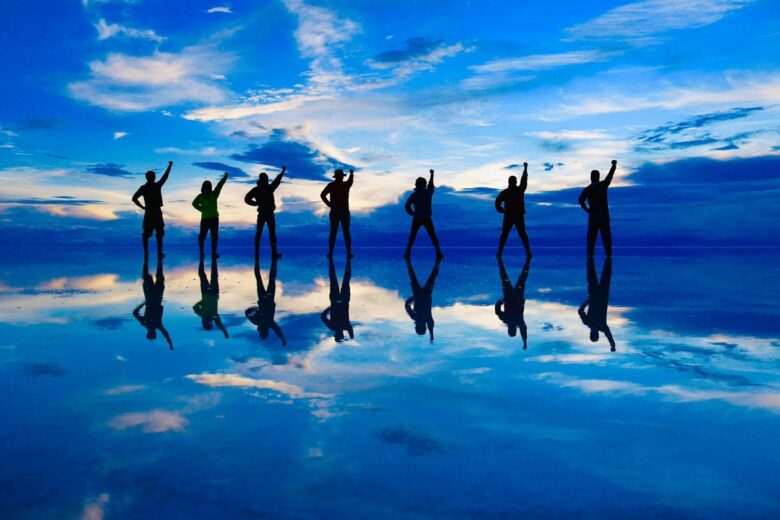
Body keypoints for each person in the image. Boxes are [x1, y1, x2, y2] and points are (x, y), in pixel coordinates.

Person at [132, 160, 173, 259]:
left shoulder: (144, 187)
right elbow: (165, 177)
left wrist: (142, 207)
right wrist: (170, 166)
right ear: (153, 177)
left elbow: (134, 198)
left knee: (147, 233)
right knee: (158, 233)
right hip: (155, 212)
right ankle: (159, 253)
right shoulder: (156, 186)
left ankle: (147, 253)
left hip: (149, 212)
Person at [245, 166, 286, 260]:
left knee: (262, 233)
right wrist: (254, 203)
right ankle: (273, 252)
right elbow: (277, 180)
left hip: (265, 213)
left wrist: (254, 203)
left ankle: (262, 253)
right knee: (268, 233)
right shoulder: (267, 188)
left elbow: (277, 180)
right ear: (265, 179)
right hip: (266, 213)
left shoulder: (259, 189)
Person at [133, 256, 172, 350]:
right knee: (159, 277)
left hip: (150, 297)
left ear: (148, 333)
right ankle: (158, 261)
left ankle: (146, 260)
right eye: (152, 334)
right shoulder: (157, 325)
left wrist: (142, 304)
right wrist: (170, 344)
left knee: (147, 277)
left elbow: (135, 313)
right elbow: (165, 333)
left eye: (150, 334)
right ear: (154, 333)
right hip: (157, 297)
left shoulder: (145, 323)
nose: (151, 332)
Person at [579, 160, 617, 257]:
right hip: (603, 215)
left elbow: (580, 201)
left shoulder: (588, 189)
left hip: (594, 216)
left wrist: (587, 210)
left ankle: (591, 256)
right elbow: (610, 175)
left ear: (591, 177)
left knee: (592, 238)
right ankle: (608, 256)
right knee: (605, 237)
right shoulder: (602, 185)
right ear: (598, 177)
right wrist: (613, 165)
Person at [245, 256, 286, 346]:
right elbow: (277, 330)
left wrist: (256, 310)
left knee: (262, 279)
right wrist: (282, 339)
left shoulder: (262, 322)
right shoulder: (267, 322)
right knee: (265, 279)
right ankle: (272, 261)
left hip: (265, 299)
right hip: (267, 299)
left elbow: (247, 312)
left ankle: (259, 261)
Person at [404, 169, 443, 259]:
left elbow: (407, 206)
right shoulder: (427, 193)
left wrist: (411, 213)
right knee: (433, 236)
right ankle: (438, 253)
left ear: (416, 185)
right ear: (424, 185)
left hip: (418, 217)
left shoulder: (415, 194)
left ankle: (407, 253)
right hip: (425, 218)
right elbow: (431, 185)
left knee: (413, 237)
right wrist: (432, 175)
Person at [578, 257, 615, 351]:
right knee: (591, 271)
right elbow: (580, 311)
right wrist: (588, 301)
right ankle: (591, 257)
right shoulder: (588, 322)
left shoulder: (603, 326)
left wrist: (612, 345)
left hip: (603, 295)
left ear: (598, 334)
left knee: (606, 272)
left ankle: (607, 258)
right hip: (594, 295)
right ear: (590, 334)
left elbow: (610, 337)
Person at [495, 162, 531, 258]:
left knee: (520, 234)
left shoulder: (516, 190)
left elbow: (524, 180)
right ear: (512, 182)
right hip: (510, 216)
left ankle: (528, 252)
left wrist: (525, 169)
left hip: (516, 215)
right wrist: (500, 209)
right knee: (506, 235)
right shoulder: (507, 192)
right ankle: (499, 252)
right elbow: (497, 202)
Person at [495, 256, 530, 349]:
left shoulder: (518, 322)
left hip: (515, 297)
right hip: (510, 297)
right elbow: (497, 311)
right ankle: (500, 262)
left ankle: (527, 261)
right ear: (509, 329)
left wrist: (525, 342)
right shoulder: (506, 320)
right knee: (505, 278)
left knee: (521, 279)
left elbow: (523, 329)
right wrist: (500, 302)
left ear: (514, 330)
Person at [192, 172, 229, 258]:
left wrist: (201, 209)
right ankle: (207, 253)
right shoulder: (208, 195)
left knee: (209, 236)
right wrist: (225, 177)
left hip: (210, 218)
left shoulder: (209, 195)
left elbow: (194, 204)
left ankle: (208, 253)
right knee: (207, 236)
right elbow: (194, 203)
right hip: (209, 219)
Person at [405, 257, 441, 343]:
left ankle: (438, 263)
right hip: (420, 295)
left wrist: (432, 335)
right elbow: (407, 306)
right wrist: (412, 299)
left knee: (432, 277)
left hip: (424, 295)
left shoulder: (425, 319)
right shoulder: (416, 317)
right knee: (414, 278)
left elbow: (430, 325)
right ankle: (408, 263)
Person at [320, 168, 354, 259]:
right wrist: (351, 173)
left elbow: (322, 195)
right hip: (342, 211)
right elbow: (350, 181)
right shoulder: (345, 185)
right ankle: (348, 253)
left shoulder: (332, 185)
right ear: (341, 176)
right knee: (345, 232)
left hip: (336, 211)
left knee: (334, 233)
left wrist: (329, 204)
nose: (341, 178)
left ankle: (331, 253)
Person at [193, 258, 228, 338]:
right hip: (213, 292)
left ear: (204, 322)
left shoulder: (203, 314)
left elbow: (194, 307)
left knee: (204, 275)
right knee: (213, 275)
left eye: (207, 323)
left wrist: (203, 301)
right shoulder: (213, 316)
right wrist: (225, 332)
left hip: (206, 292)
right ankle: (213, 259)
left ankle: (202, 260)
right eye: (209, 323)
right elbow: (220, 325)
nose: (209, 321)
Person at [321, 258, 353, 342]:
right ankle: (334, 260)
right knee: (336, 279)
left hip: (340, 300)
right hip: (339, 300)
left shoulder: (345, 326)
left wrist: (350, 339)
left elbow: (351, 333)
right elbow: (323, 316)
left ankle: (345, 260)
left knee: (342, 279)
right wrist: (331, 307)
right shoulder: (334, 326)